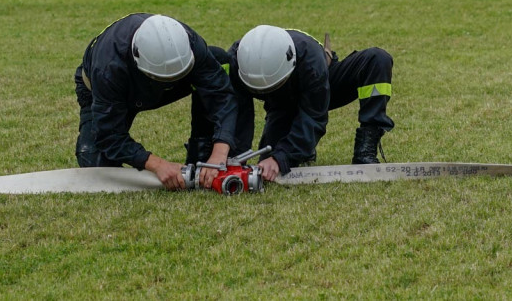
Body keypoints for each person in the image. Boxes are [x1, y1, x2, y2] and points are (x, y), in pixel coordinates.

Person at [74, 13, 239, 190]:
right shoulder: (108, 69)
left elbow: (220, 94)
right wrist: (157, 165)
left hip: (155, 83)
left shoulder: (187, 41)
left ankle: (202, 150)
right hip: (108, 92)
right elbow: (108, 135)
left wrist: (219, 153)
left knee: (218, 61)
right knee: (95, 163)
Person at [219, 25, 394, 182]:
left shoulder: (311, 62)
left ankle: (366, 148)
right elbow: (237, 112)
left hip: (320, 84)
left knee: (377, 59)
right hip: (281, 105)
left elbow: (314, 117)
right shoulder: (237, 60)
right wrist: (232, 158)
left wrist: (282, 157)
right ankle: (303, 150)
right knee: (270, 158)